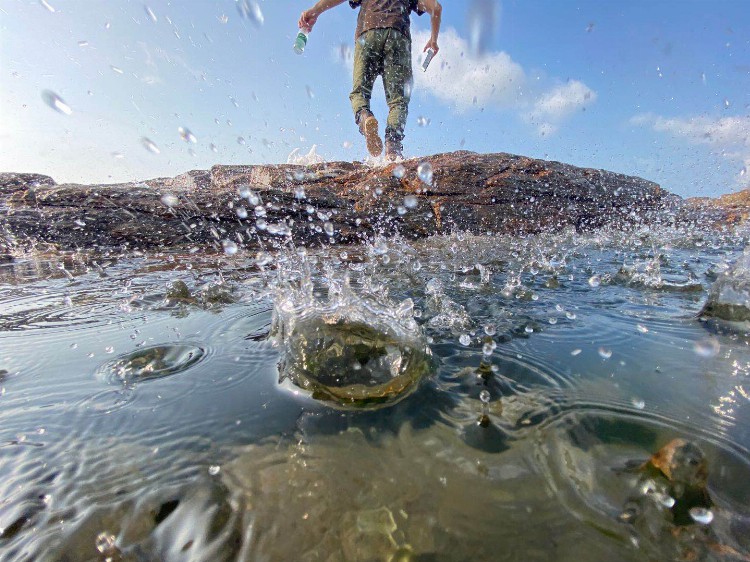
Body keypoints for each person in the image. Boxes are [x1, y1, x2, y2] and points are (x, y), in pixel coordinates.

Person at [298, 0, 442, 161]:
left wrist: (315, 10)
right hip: (397, 36)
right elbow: (436, 8)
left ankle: (364, 117)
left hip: (367, 33)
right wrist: (433, 39)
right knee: (398, 101)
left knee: (360, 92)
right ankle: (392, 149)